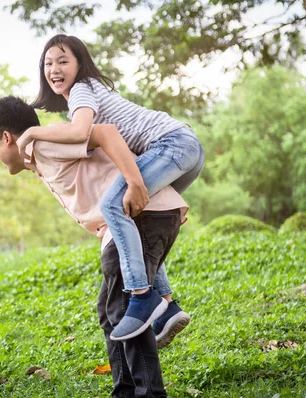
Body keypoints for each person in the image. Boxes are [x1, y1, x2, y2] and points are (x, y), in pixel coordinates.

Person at [0, 95, 189, 398]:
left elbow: (105, 134)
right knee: (111, 311)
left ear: (6, 137)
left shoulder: (46, 144)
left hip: (140, 214)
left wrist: (136, 185)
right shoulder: (40, 158)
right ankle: (127, 390)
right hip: (138, 219)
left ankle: (147, 394)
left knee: (121, 309)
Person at [16, 34, 205, 341]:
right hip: (184, 148)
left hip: (171, 145)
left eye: (63, 61)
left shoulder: (81, 91)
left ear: (80, 65)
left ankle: (141, 296)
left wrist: (31, 133)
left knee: (112, 205)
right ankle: (168, 307)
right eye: (48, 63)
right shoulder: (86, 94)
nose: (55, 69)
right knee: (137, 219)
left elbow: (82, 132)